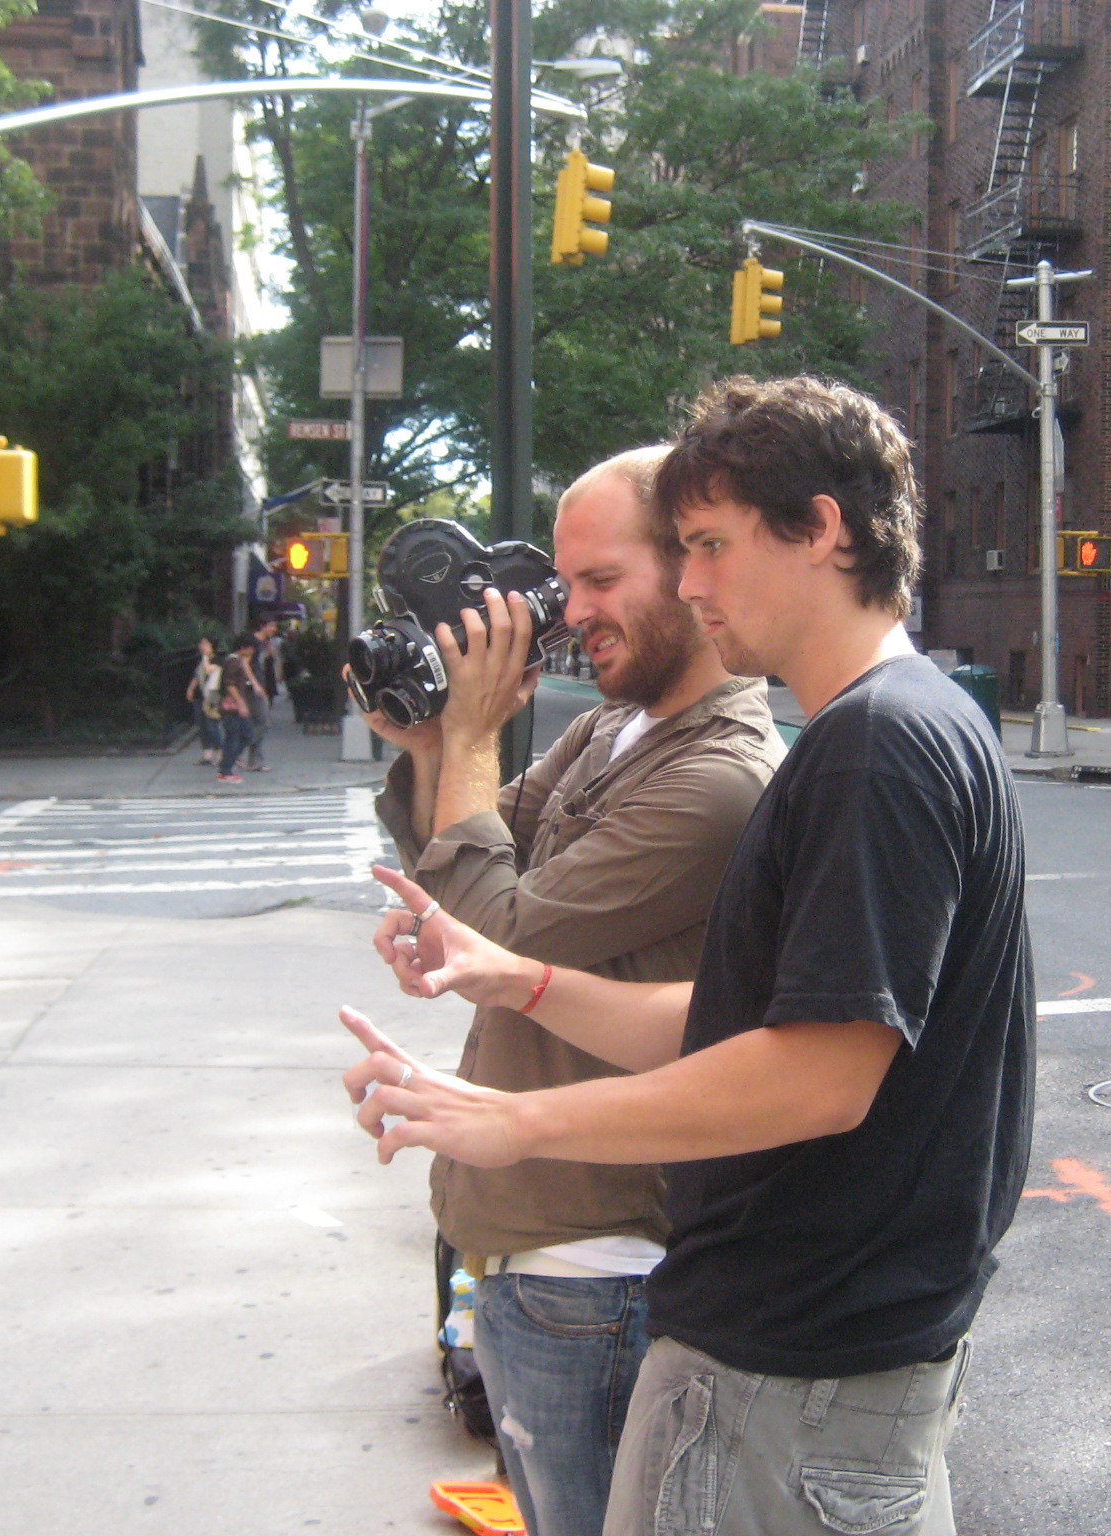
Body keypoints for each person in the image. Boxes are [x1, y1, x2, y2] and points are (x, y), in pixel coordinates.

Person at [340, 376, 1036, 1536]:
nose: (694, 579)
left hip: (790, 1363)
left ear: (822, 529)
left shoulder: (876, 748)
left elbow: (815, 1078)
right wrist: (516, 978)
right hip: (802, 1358)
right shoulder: (884, 729)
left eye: (708, 545)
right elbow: (743, 1017)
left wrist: (520, 1123)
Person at [358, 445, 785, 1536]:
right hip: (532, 1249)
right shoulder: (610, 729)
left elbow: (498, 923)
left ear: (691, 571)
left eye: (599, 580)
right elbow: (473, 867)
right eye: (562, 582)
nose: (565, 611)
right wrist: (427, 741)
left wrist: (468, 735)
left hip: (597, 1271)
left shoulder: (716, 775)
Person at [217, 634, 261, 782]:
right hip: (232, 707)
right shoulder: (233, 662)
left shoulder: (237, 660)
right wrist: (241, 703)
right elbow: (230, 685)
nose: (253, 652)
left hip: (235, 705)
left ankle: (227, 765)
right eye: (251, 648)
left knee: (241, 735)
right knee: (237, 737)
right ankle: (226, 769)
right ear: (244, 648)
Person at [247, 618, 281, 771]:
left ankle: (254, 760)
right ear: (263, 625)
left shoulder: (265, 643)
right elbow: (245, 663)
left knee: (259, 722)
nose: (274, 628)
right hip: (252, 688)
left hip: (261, 685)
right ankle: (241, 748)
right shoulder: (253, 642)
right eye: (271, 625)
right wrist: (254, 683)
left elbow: (263, 662)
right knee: (263, 721)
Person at [186, 636, 222, 765]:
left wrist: (206, 657)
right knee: (201, 725)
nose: (202, 646)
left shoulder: (217, 660)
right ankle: (207, 754)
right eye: (201, 643)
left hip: (212, 695)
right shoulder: (201, 659)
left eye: (205, 643)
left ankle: (219, 752)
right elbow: (197, 675)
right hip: (200, 695)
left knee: (212, 725)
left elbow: (208, 671)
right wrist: (191, 689)